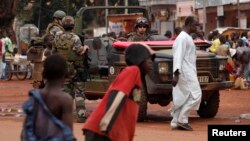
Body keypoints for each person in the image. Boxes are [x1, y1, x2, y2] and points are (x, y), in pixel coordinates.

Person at [82, 43, 155, 141]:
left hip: (110, 133)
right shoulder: (133, 71)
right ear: (138, 59)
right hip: (102, 131)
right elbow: (118, 94)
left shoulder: (138, 79)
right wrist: (106, 123)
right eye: (148, 58)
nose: (151, 62)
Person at [21, 54, 75, 140]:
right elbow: (67, 133)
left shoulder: (35, 96)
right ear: (65, 74)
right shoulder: (65, 99)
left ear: (44, 74)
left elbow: (26, 130)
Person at [54, 15, 89, 123]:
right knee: (79, 92)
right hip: (75, 69)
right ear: (73, 25)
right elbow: (80, 51)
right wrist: (86, 47)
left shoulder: (57, 36)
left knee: (65, 92)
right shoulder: (75, 38)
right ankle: (81, 116)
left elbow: (53, 50)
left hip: (62, 68)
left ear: (62, 25)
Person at [171, 16, 202, 131]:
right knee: (196, 95)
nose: (197, 28)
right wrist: (176, 74)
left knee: (184, 96)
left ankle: (175, 121)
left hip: (187, 71)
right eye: (196, 25)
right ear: (189, 24)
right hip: (184, 72)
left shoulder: (187, 37)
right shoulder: (182, 38)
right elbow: (178, 55)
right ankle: (182, 119)